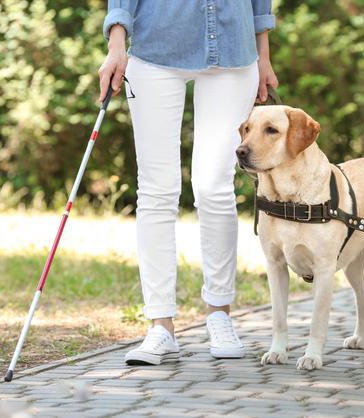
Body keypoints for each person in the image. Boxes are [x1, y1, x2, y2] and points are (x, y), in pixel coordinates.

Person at [99, 0, 279, 365]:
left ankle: (220, 314)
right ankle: (160, 325)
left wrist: (264, 54)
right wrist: (116, 45)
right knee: (156, 190)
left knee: (214, 186)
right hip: (154, 49)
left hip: (233, 51)